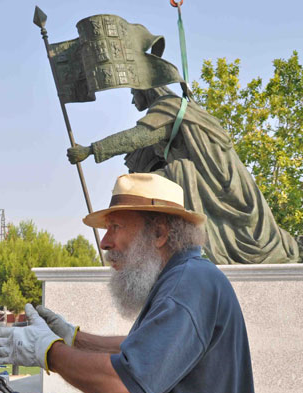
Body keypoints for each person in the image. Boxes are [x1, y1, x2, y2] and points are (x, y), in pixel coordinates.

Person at [0, 173, 258, 393]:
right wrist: (74, 339)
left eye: (115, 226)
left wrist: (49, 351)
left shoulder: (188, 284)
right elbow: (143, 350)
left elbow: (124, 385)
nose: (104, 242)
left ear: (160, 233)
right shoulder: (183, 279)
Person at [67, 85, 299, 264]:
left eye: (132, 91)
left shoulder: (169, 107)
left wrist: (91, 150)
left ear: (144, 88)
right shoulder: (181, 107)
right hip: (226, 180)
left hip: (217, 183)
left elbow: (138, 136)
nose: (132, 98)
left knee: (148, 192)